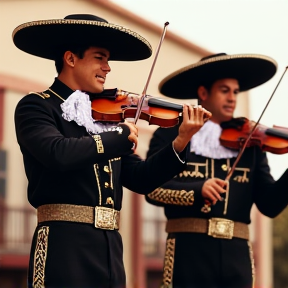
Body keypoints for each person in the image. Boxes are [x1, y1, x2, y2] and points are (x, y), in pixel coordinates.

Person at [12, 14, 211, 288]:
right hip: (62, 246)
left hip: (110, 250)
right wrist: (118, 136)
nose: (107, 68)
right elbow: (57, 153)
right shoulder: (36, 106)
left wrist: (181, 141)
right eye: (100, 57)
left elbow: (140, 178)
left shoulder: (104, 119)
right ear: (71, 59)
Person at [145, 53, 288, 288]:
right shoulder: (172, 133)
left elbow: (270, 205)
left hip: (237, 259)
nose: (232, 98)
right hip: (188, 255)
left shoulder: (251, 143)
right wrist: (197, 190)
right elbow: (151, 188)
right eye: (224, 90)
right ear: (203, 93)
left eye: (235, 91)